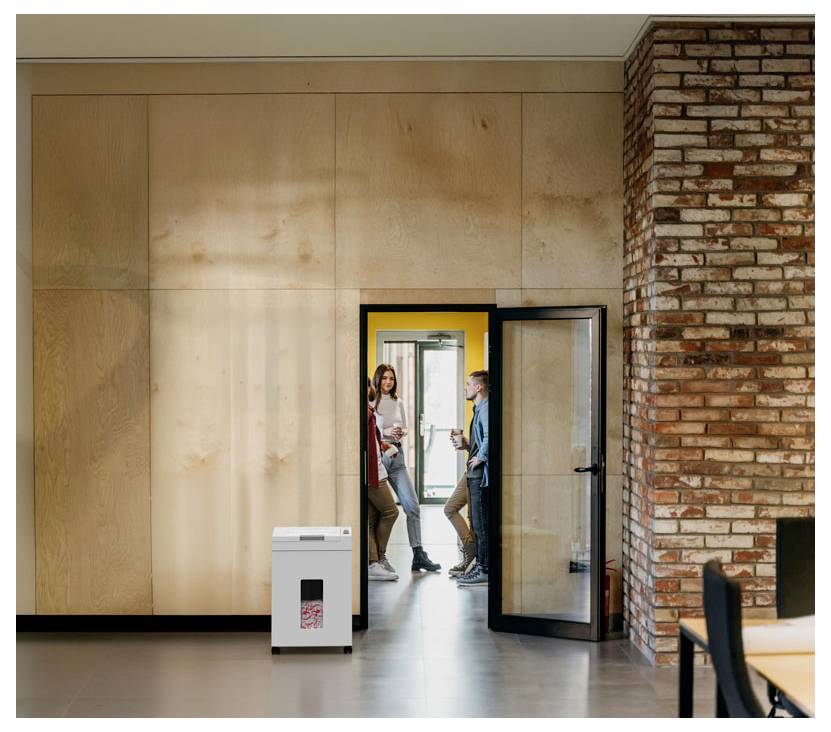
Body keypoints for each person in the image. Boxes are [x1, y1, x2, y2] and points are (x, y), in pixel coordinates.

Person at [372, 364, 441, 572]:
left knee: (413, 506)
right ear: (378, 379)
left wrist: (402, 432)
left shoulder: (398, 401)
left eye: (391, 378)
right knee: (380, 511)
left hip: (398, 457)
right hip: (381, 457)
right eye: (384, 378)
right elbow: (372, 430)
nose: (388, 382)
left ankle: (418, 554)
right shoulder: (371, 402)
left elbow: (405, 427)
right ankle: (376, 558)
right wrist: (387, 433)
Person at [453, 370, 489, 587]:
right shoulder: (478, 409)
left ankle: (483, 569)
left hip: (478, 476)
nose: (466, 387)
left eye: (469, 384)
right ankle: (479, 564)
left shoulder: (485, 408)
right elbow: (480, 439)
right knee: (476, 523)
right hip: (474, 474)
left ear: (479, 387)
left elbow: (489, 437)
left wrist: (480, 458)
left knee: (480, 524)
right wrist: (468, 446)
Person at [367, 378, 400, 581]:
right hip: (373, 474)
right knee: (391, 511)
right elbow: (368, 448)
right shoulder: (367, 412)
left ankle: (374, 563)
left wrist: (384, 447)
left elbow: (372, 442)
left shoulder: (368, 410)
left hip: (374, 471)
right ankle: (377, 559)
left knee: (371, 518)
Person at [444, 473, 476, 577]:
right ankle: (471, 552)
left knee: (472, 516)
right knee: (469, 515)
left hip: (477, 472)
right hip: (470, 472)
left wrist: (481, 457)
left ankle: (471, 553)